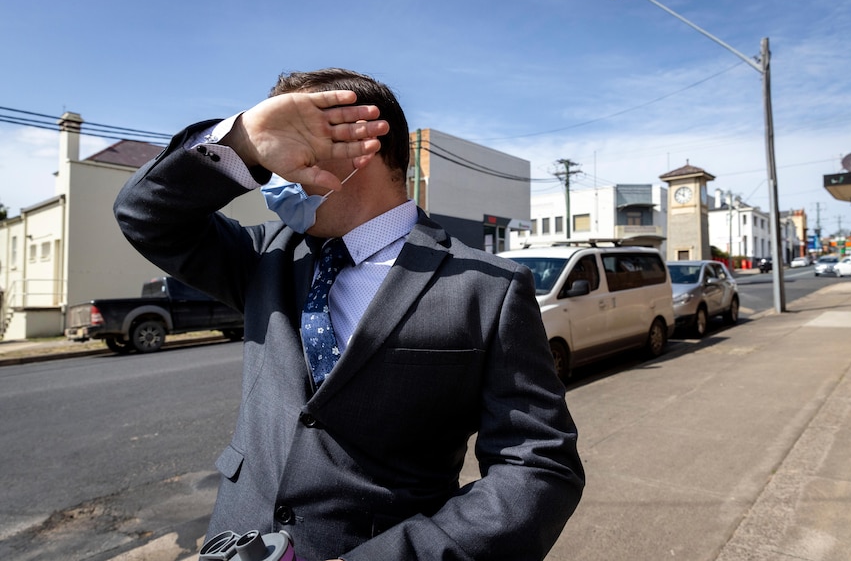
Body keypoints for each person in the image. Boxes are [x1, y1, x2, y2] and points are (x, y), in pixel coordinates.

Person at [114, 68, 584, 561]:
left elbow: (538, 466)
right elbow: (145, 216)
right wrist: (243, 142)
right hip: (236, 542)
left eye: (297, 139)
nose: (276, 176)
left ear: (361, 146)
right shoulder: (262, 259)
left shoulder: (487, 287)